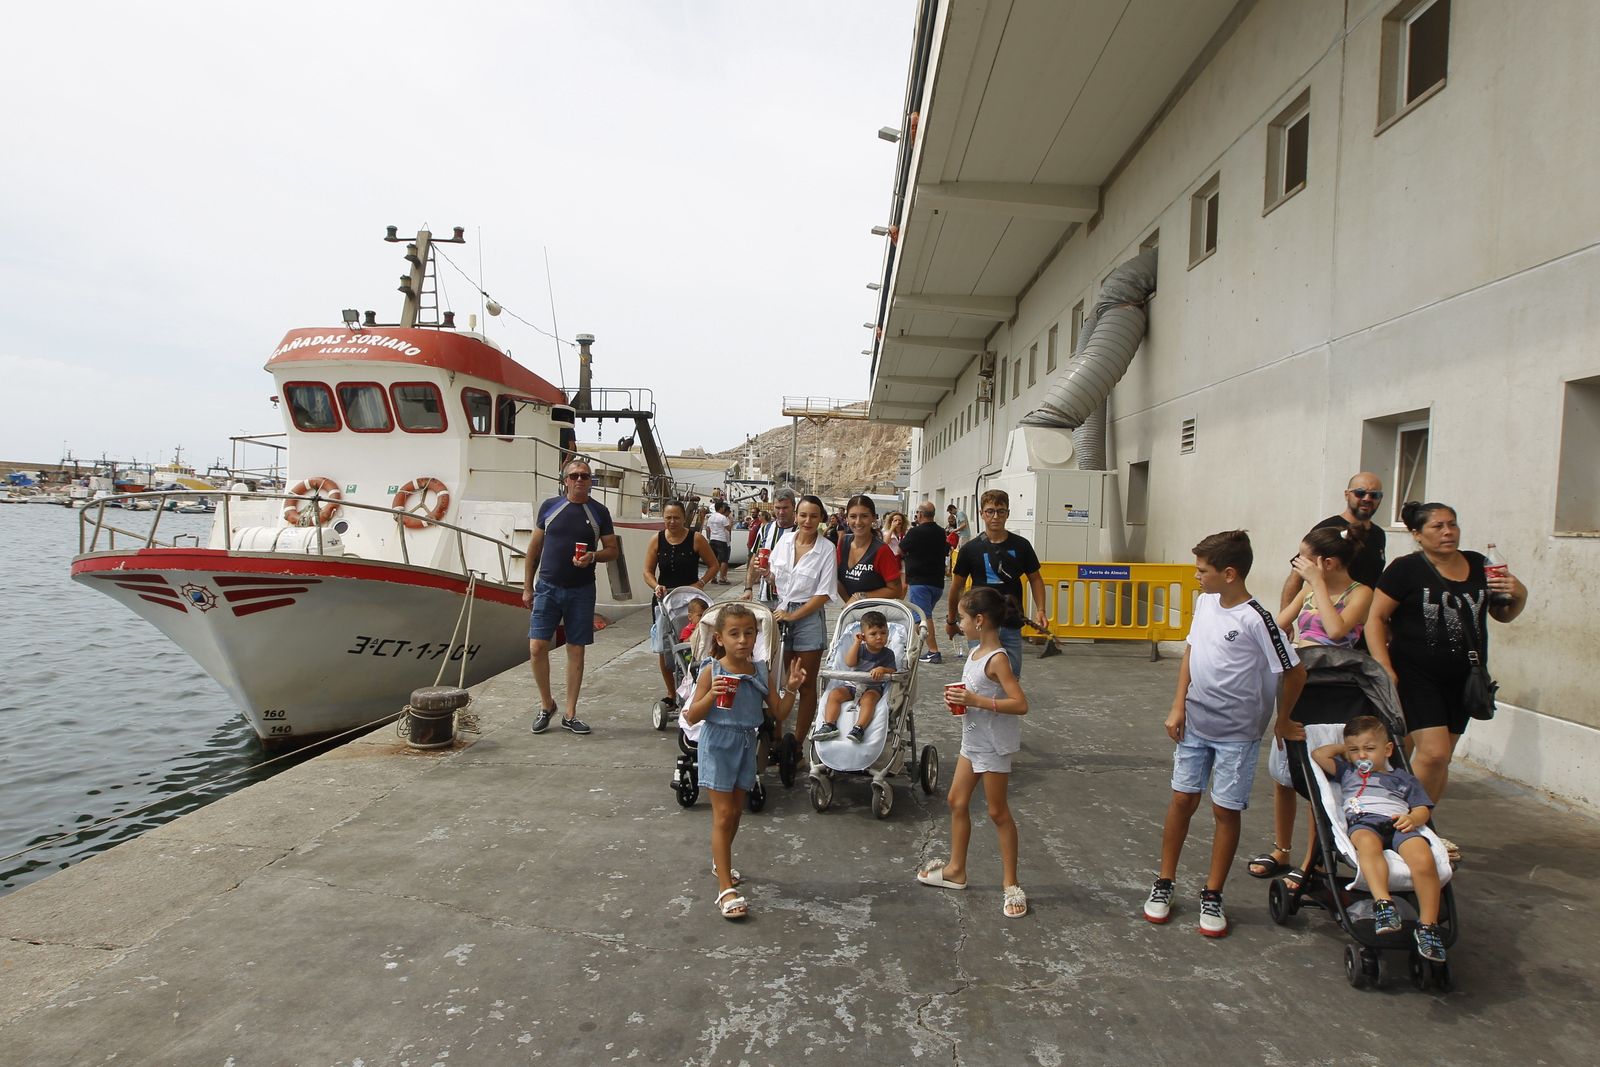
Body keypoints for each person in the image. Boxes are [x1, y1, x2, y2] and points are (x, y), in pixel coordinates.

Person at [1143, 530, 1306, 937]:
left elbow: (1294, 670)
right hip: (1195, 725)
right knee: (1182, 800)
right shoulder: (1205, 603)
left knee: (1225, 810)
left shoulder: (1257, 619)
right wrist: (1178, 704)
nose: (1196, 576)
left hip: (1238, 735)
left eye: (1203, 570)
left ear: (1229, 573)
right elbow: (1192, 651)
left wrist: (1283, 720)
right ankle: (1164, 882)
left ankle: (1213, 893)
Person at [1366, 501, 1528, 808]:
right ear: (1417, 534)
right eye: (1437, 526)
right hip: (1416, 673)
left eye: (1452, 524)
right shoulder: (1405, 569)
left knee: (1442, 759)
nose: (1448, 532)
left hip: (1465, 678)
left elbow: (1502, 614)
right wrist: (1384, 665)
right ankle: (1408, 819)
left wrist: (1520, 594)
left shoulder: (1479, 564)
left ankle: (1423, 821)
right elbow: (1375, 618)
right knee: (1434, 754)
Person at [1251, 524, 1376, 884]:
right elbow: (1279, 625)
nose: (1298, 564)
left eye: (1304, 559)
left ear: (1327, 563)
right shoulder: (1307, 589)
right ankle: (1282, 848)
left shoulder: (1360, 593)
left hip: (1332, 690)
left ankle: (1312, 861)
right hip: (1298, 683)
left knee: (1316, 777)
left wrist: (1318, 585)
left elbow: (1337, 631)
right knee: (1283, 771)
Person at [683, 603, 806, 920]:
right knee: (724, 814)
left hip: (747, 744)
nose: (742, 640)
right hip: (717, 744)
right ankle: (725, 889)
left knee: (736, 813)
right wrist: (711, 695)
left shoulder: (760, 671)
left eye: (749, 633)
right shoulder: (712, 670)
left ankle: (720, 861)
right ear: (720, 638)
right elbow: (691, 716)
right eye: (734, 634)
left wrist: (792, 689)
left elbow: (779, 712)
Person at [917, 587, 1030, 919]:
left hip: (993, 745)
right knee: (956, 801)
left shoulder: (998, 659)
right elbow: (972, 691)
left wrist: (976, 701)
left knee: (998, 812)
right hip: (973, 741)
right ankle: (956, 869)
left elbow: (1020, 703)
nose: (958, 624)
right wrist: (959, 700)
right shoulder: (975, 652)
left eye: (962, 618)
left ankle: (1011, 883)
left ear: (979, 620)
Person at [1311, 715, 1446, 962]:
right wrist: (1346, 750)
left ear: (1388, 750)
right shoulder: (1348, 772)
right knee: (1367, 844)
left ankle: (1428, 926)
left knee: (1423, 859)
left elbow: (1422, 809)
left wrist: (1413, 819)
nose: (1362, 755)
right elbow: (1319, 754)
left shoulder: (1404, 779)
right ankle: (1384, 904)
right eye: (1355, 750)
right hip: (1364, 822)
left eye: (1370, 749)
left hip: (1399, 822)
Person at [524, 458, 619, 736]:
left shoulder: (599, 512)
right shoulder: (550, 507)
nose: (580, 480)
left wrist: (593, 556)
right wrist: (528, 587)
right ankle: (546, 705)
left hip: (581, 590)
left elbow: (612, 550)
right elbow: (534, 549)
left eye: (585, 476)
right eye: (575, 475)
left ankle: (570, 713)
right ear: (565, 480)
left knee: (576, 649)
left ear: (591, 482)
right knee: (537, 647)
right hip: (548, 587)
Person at [945, 489, 1047, 678]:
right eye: (990, 511)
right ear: (982, 513)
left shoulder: (1021, 546)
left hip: (1011, 620)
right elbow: (956, 586)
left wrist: (1041, 609)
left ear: (1007, 513)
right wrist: (951, 620)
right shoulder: (970, 549)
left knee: (1011, 676)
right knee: (980, 676)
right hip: (980, 623)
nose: (995, 517)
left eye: (1001, 511)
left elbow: (1035, 578)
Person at [641, 500, 719, 709]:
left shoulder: (696, 538)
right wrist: (656, 585)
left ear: (684, 518)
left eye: (676, 517)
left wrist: (701, 583)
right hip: (664, 599)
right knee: (665, 646)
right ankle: (671, 693)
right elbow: (647, 571)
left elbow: (713, 565)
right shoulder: (656, 540)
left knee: (695, 643)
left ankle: (696, 687)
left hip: (691, 600)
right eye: (668, 518)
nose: (672, 521)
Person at [770, 495, 835, 743]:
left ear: (821, 519)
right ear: (796, 516)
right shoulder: (784, 541)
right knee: (780, 680)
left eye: (814, 516)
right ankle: (776, 739)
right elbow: (775, 577)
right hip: (781, 613)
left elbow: (824, 594)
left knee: (805, 684)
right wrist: (764, 573)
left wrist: (793, 615)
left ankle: (796, 744)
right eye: (803, 515)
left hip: (808, 618)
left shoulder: (826, 549)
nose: (808, 521)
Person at [1280, 472, 1388, 610]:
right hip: (1328, 614)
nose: (1367, 499)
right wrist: (1285, 615)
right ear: (1347, 495)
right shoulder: (1328, 528)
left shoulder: (1379, 534)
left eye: (1374, 495)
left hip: (1362, 616)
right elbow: (1297, 574)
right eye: (1360, 493)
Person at [811, 609, 897, 743]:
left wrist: (883, 669)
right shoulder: (860, 649)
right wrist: (856, 643)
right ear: (864, 636)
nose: (879, 637)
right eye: (873, 634)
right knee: (834, 695)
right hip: (852, 684)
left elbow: (893, 670)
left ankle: (859, 728)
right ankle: (829, 725)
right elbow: (850, 662)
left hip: (873, 687)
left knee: (869, 700)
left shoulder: (888, 653)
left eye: (883, 633)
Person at [900, 501, 949, 664]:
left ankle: (933, 651)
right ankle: (912, 645)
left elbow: (900, 549)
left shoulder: (915, 532)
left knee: (924, 617)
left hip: (919, 581)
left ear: (920, 514)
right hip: (937, 582)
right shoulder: (941, 532)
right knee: (918, 616)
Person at [837, 494, 904, 604]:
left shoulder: (881, 550)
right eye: (853, 516)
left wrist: (861, 597)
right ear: (846, 518)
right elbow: (836, 580)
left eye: (864, 516)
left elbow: (896, 590)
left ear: (873, 518)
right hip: (851, 611)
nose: (858, 522)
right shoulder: (843, 543)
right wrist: (851, 605)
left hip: (876, 612)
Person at [743, 489, 796, 607]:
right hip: (767, 597)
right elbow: (755, 559)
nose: (781, 512)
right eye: (777, 508)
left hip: (792, 598)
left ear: (794, 507)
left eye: (785, 508)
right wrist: (748, 588)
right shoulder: (765, 529)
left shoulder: (800, 531)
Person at [704, 501, 734, 585]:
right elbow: (728, 528)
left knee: (714, 560)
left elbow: (708, 529)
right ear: (721, 508)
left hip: (713, 539)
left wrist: (709, 538)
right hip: (721, 539)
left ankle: (713, 577)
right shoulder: (722, 517)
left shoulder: (711, 517)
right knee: (724, 559)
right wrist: (731, 521)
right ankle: (722, 578)